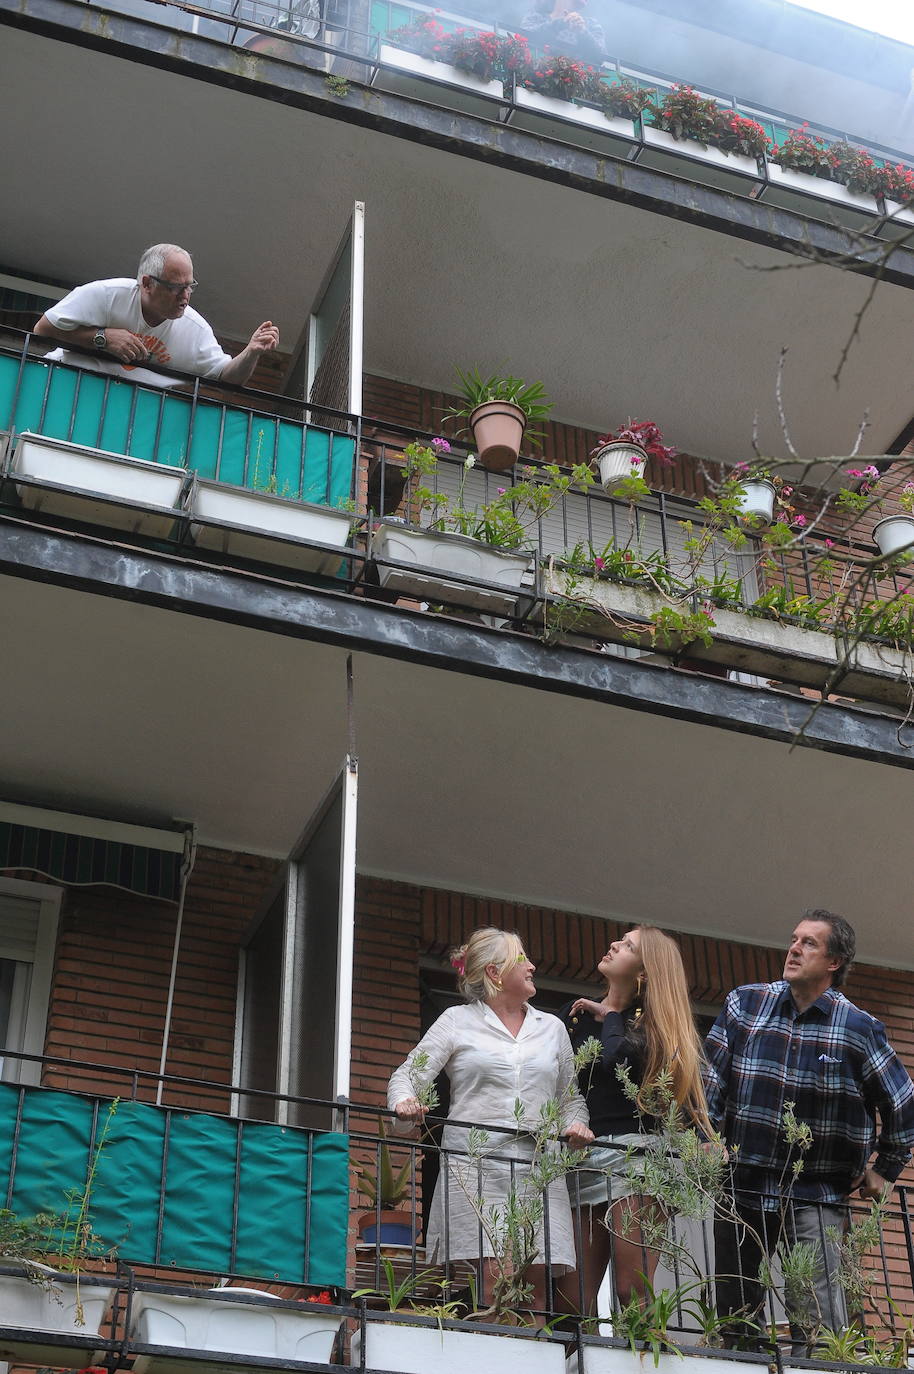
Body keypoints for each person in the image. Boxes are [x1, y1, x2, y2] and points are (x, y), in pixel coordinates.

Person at [704, 909, 914, 1352]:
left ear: (834, 962)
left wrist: (886, 1169)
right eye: (794, 939)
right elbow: (709, 1079)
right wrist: (705, 1138)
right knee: (735, 1313)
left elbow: (902, 1103)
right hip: (742, 1184)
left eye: (809, 943)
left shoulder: (857, 1028)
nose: (794, 948)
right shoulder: (746, 1003)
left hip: (817, 1194)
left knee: (819, 1321)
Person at [388, 927, 593, 1317]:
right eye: (523, 960)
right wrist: (405, 1105)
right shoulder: (456, 1021)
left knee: (534, 1288)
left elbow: (571, 1099)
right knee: (497, 1279)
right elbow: (406, 1078)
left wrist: (577, 1126)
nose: (533, 966)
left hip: (538, 1168)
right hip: (476, 1165)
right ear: (496, 973)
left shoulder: (551, 1028)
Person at [558, 925, 713, 1316]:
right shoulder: (575, 1019)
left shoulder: (656, 1027)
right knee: (571, 1299)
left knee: (631, 1288)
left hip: (637, 1161)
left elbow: (616, 1061)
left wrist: (610, 1015)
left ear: (644, 972)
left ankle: (642, 1355)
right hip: (581, 1160)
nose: (613, 944)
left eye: (627, 946)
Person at [33, 244, 279, 389]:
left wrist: (251, 351)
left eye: (190, 285)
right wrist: (101, 337)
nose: (185, 296)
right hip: (62, 390)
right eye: (175, 287)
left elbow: (227, 377)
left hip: (131, 421)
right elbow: (42, 330)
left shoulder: (194, 329)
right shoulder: (107, 295)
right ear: (147, 283)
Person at [521, 0, 606, 66]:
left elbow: (600, 57)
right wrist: (560, 23)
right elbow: (523, 38)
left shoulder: (591, 24)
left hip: (575, 85)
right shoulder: (537, 16)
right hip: (535, 79)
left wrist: (583, 32)